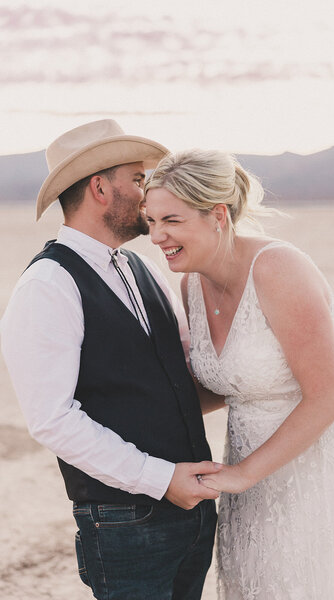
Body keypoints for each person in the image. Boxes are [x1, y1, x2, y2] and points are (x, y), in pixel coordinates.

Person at [144, 148, 334, 600]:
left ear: (217, 214)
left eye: (172, 221)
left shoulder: (279, 269)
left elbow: (328, 396)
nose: (156, 236)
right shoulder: (191, 287)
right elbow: (224, 384)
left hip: (314, 465)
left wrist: (243, 474)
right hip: (246, 471)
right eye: (150, 221)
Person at [0, 121, 223, 600]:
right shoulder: (48, 286)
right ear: (101, 188)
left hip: (191, 511)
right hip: (125, 522)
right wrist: (162, 480)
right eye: (138, 179)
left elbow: (173, 379)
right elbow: (51, 420)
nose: (148, 195)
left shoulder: (140, 266)